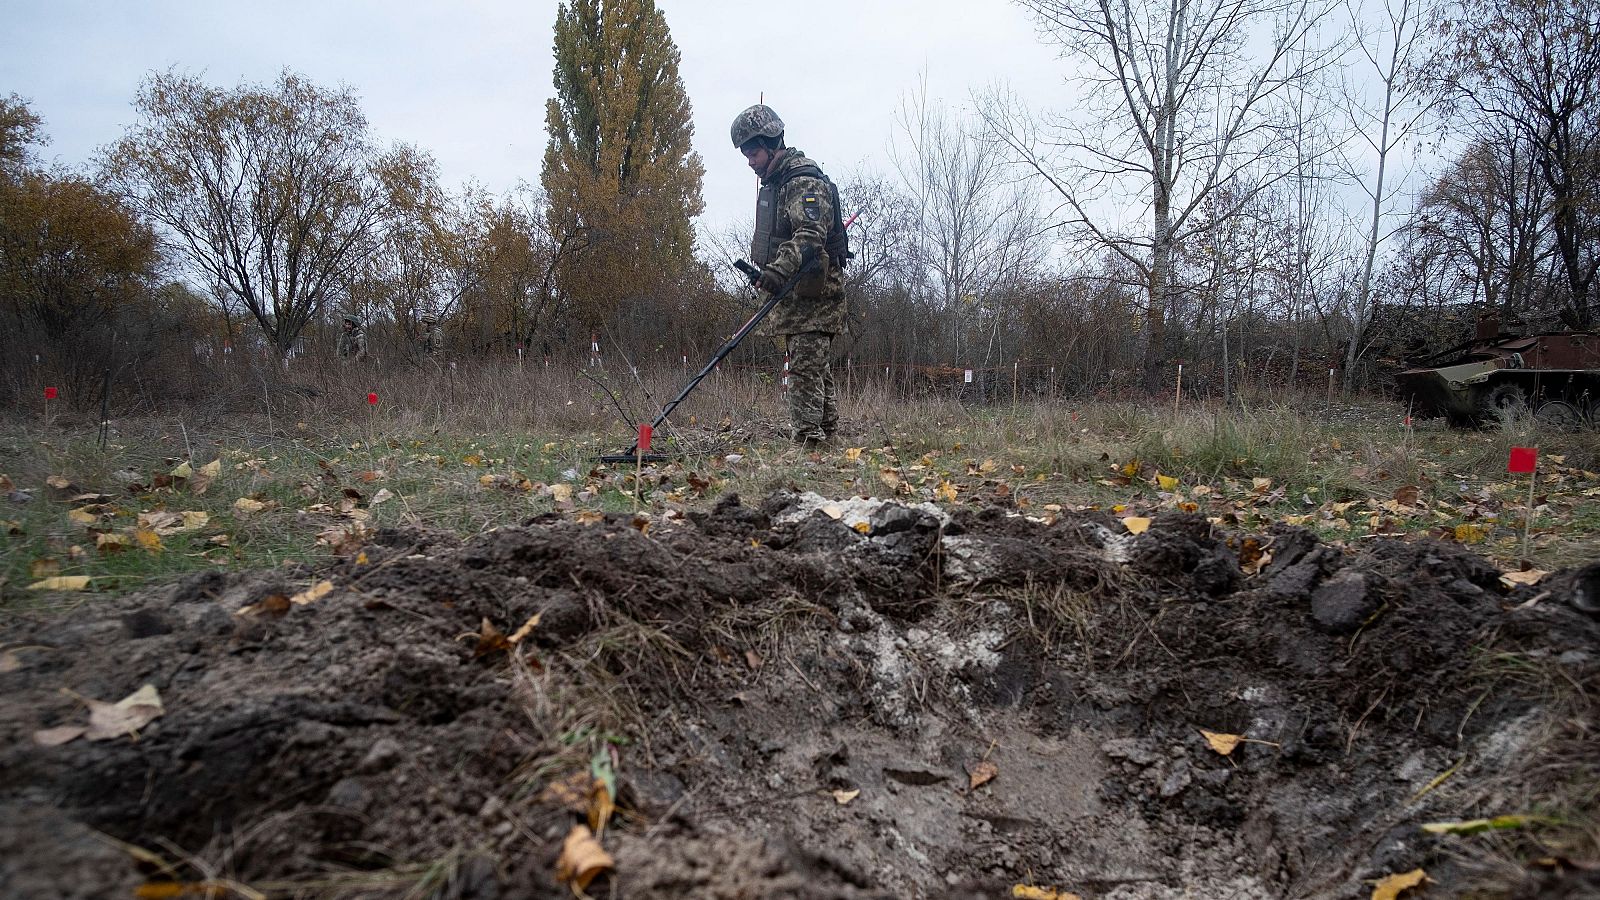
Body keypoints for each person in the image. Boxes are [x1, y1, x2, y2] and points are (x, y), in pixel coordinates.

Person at [731, 103, 849, 446]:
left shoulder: (801, 182)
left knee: (805, 371)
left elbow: (811, 235)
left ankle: (811, 442)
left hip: (814, 296)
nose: (750, 162)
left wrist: (777, 272)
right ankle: (825, 437)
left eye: (753, 153)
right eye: (746, 155)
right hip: (797, 297)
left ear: (771, 145)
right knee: (814, 368)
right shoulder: (779, 181)